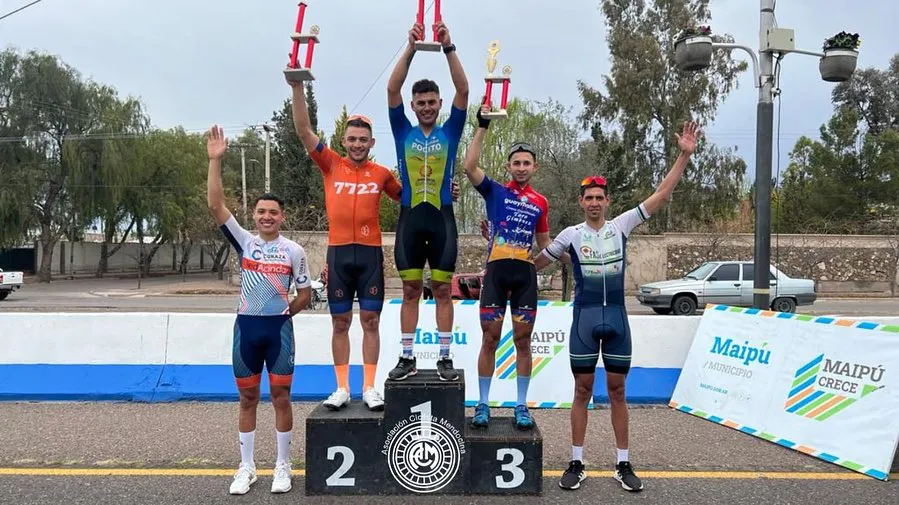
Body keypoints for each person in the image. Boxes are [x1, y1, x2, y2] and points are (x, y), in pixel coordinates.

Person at [535, 121, 700, 493]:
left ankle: (622, 463)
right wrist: (501, 251)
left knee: (618, 391)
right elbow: (534, 264)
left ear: (607, 201)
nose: (594, 202)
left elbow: (660, 195)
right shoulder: (570, 235)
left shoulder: (622, 225)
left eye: (599, 197)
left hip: (617, 323)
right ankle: (576, 461)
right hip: (585, 319)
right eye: (588, 197)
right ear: (581, 202)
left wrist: (684, 155)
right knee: (581, 391)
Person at [206, 125, 312, 495]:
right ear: (254, 215)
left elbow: (306, 292)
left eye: (273, 212)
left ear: (282, 216)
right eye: (261, 211)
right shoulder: (244, 242)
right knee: (248, 398)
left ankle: (283, 466)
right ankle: (246, 466)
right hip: (246, 331)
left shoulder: (294, 251)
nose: (267, 217)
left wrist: (285, 315)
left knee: (282, 398)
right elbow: (216, 206)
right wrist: (215, 161)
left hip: (278, 332)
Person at [287, 81, 399, 412]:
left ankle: (369, 386)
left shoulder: (382, 174)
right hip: (338, 255)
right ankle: (341, 387)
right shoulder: (331, 164)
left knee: (371, 322)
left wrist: (443, 194)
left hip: (369, 256)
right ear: (343, 141)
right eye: (352, 139)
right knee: (339, 323)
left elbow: (410, 199)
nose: (357, 144)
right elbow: (304, 129)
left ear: (372, 142)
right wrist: (297, 87)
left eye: (363, 140)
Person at [386, 19, 469, 382]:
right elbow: (392, 88)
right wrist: (412, 47)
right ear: (414, 105)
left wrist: (448, 47)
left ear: (439, 104)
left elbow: (464, 90)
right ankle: (407, 357)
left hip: (442, 221)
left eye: (432, 102)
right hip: (409, 219)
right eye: (420, 103)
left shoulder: (450, 130)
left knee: (440, 290)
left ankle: (445, 358)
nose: (426, 107)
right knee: (408, 290)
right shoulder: (402, 129)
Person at [462, 103, 553, 430]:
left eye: (527, 162)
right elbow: (469, 165)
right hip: (497, 274)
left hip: (525, 276)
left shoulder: (541, 202)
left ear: (534, 166)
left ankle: (521, 405)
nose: (521, 167)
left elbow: (545, 245)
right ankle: (482, 404)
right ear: (508, 166)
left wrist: (566, 258)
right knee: (490, 339)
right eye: (516, 162)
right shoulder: (495, 191)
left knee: (523, 342)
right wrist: (482, 125)